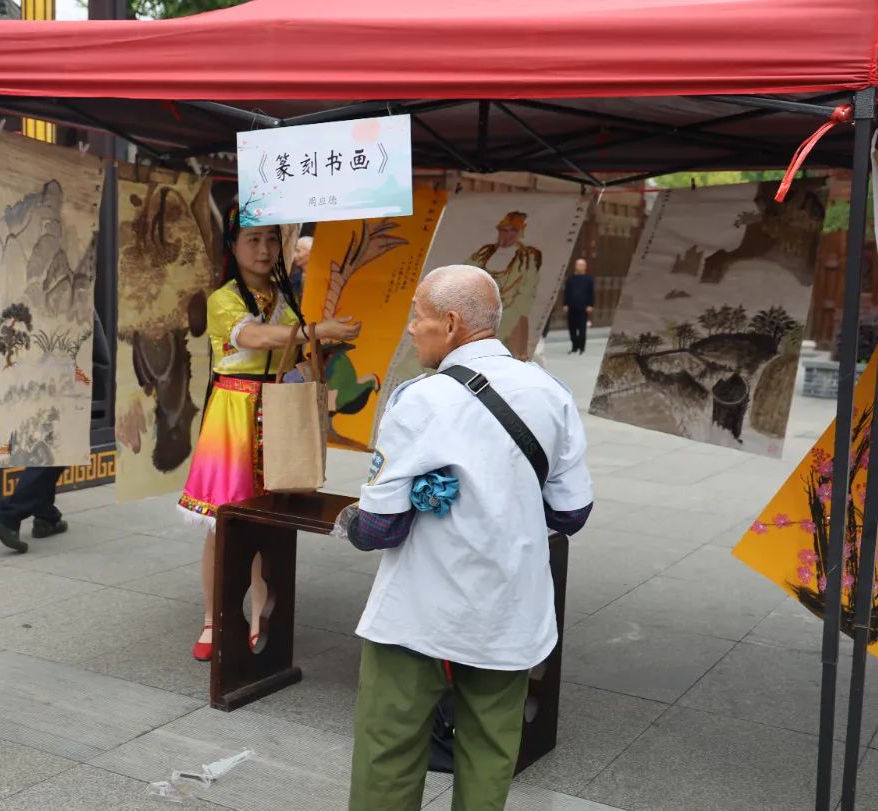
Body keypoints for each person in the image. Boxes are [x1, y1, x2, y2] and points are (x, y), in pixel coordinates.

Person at [343, 265, 593, 810]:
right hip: (511, 611)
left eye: (419, 316)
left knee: (389, 751)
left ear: (452, 323)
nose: (412, 328)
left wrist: (354, 520)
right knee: (489, 758)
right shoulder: (551, 393)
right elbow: (572, 513)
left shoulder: (421, 398)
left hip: (420, 612)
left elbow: (380, 527)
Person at [177, 205, 360, 662]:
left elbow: (287, 348)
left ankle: (260, 616)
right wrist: (316, 330)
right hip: (234, 413)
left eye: (272, 239)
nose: (264, 249)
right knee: (224, 523)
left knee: (268, 521)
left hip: (279, 411)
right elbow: (254, 338)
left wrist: (316, 345)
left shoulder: (285, 295)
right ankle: (213, 618)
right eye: (253, 239)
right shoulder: (223, 299)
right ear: (233, 245)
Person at [0, 311, 111, 553]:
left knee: (49, 443)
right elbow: (98, 358)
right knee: (59, 448)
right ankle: (8, 516)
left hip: (33, 366)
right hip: (65, 373)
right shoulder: (76, 301)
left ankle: (46, 516)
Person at [468, 211, 542, 360]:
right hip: (478, 311)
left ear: (520, 232)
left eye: (513, 230)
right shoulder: (485, 252)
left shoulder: (527, 258)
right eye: (504, 230)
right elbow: (464, 272)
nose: (507, 234)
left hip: (509, 312)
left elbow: (527, 293)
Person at [562, 257, 595, 355]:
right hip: (571, 307)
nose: (580, 266)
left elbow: (591, 293)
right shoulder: (570, 279)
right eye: (578, 265)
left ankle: (581, 347)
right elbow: (567, 292)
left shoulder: (589, 279)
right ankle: (574, 346)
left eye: (582, 265)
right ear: (575, 266)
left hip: (583, 307)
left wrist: (590, 305)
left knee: (582, 328)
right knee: (572, 328)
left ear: (585, 267)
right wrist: (565, 304)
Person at [289, 235, 313, 302]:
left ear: (310, 253)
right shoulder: (293, 279)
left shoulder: (322, 280)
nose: (294, 255)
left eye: (298, 251)